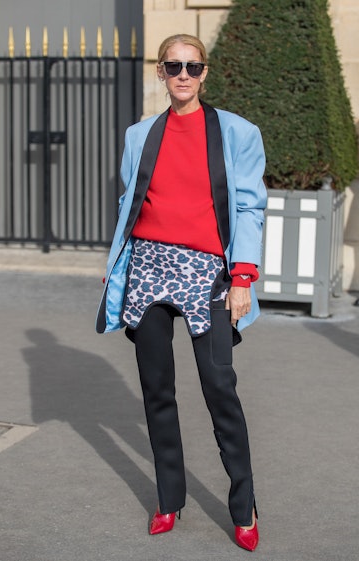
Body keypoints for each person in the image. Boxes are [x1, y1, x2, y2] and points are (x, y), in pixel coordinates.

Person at [96, 33, 267, 552]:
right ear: (160, 72)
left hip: (207, 274)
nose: (184, 76)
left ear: (205, 72)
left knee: (220, 389)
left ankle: (244, 507)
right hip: (148, 266)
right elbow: (132, 201)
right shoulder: (139, 134)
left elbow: (249, 207)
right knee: (157, 392)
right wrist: (116, 266)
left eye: (193, 67)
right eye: (174, 67)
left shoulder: (238, 133)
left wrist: (242, 277)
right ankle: (170, 498)